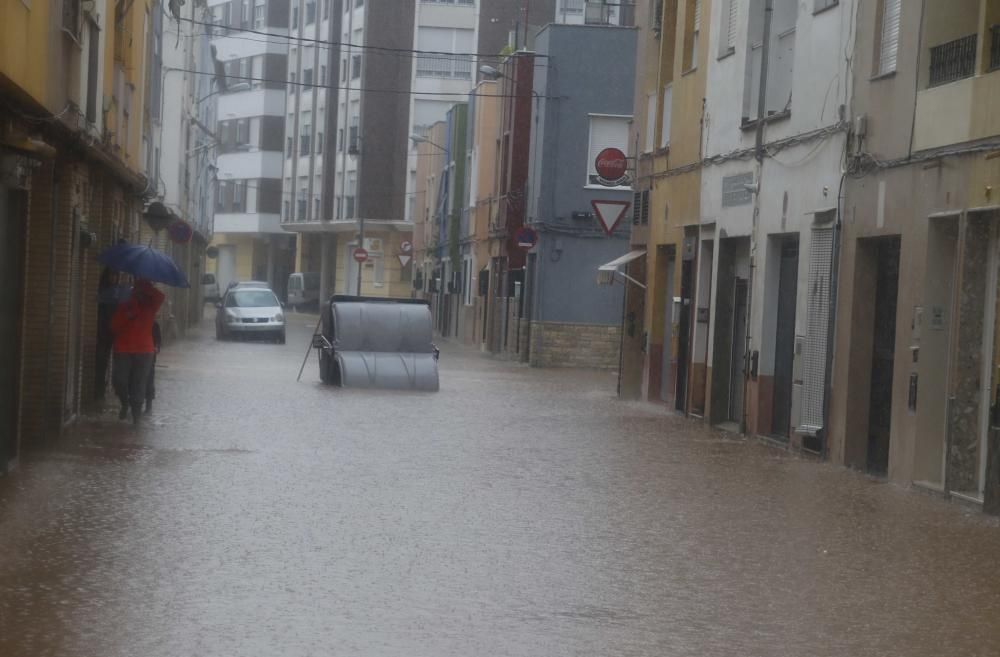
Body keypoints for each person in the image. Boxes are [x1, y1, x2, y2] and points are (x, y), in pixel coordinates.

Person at [110, 279, 165, 424]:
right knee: (119, 380)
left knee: (139, 383)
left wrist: (145, 288)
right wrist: (128, 313)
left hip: (144, 350)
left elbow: (161, 296)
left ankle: (136, 417)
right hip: (123, 348)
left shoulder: (151, 304)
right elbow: (114, 326)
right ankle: (124, 403)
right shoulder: (124, 302)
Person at [145, 320, 162, 415]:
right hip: (137, 356)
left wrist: (156, 348)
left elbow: (158, 341)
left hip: (150, 357)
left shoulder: (155, 325)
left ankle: (148, 406)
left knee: (149, 380)